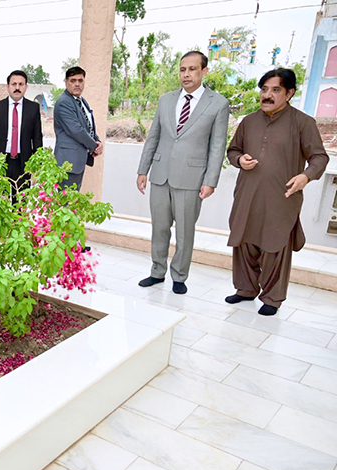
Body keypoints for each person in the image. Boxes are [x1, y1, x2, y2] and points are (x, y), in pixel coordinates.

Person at [224, 68, 328, 315]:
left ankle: (272, 298)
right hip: (248, 194)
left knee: (275, 246)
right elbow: (232, 151)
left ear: (289, 93)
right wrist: (240, 160)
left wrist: (306, 175)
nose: (267, 95)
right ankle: (245, 290)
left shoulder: (303, 123)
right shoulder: (248, 121)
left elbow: (319, 157)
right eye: (264, 89)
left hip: (282, 197)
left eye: (275, 90)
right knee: (245, 243)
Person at [135, 51, 230, 295]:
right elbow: (153, 136)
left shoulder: (218, 103)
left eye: (192, 69)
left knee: (185, 230)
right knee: (159, 227)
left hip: (192, 177)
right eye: (182, 69)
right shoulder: (166, 100)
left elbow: (217, 146)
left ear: (204, 71)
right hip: (160, 173)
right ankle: (157, 271)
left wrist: (211, 181)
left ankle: (179, 276)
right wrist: (143, 169)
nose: (186, 74)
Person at [0, 69, 43, 197]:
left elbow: (37, 138)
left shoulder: (33, 108)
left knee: (21, 203)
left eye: (21, 84)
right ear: (7, 86)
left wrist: (38, 166)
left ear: (26, 87)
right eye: (14, 84)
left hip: (23, 163)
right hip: (0, 162)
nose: (17, 88)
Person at [53, 66, 102, 191]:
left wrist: (98, 141)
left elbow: (88, 125)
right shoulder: (64, 102)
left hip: (77, 161)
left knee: (73, 203)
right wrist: (94, 146)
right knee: (65, 204)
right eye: (73, 81)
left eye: (80, 81)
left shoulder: (81, 101)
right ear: (66, 82)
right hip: (67, 162)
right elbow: (76, 130)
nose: (77, 84)